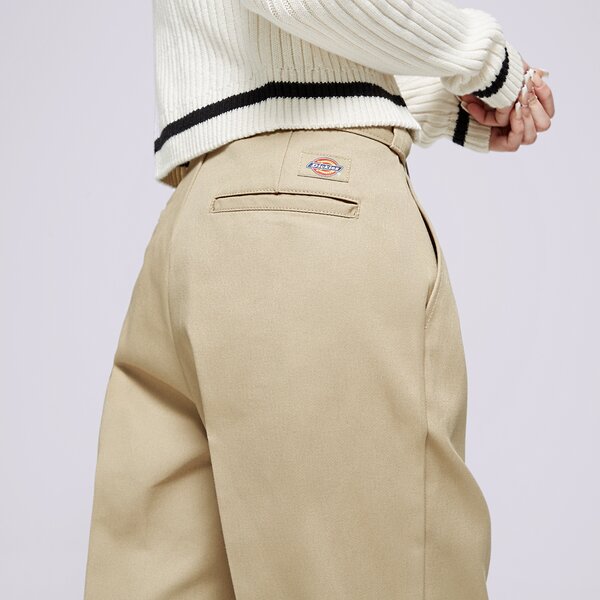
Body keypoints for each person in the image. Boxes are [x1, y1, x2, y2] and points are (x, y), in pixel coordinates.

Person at [83, 1, 555, 599]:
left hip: (198, 220)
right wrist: (487, 63)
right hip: (306, 212)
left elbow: (261, 55)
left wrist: (439, 101)